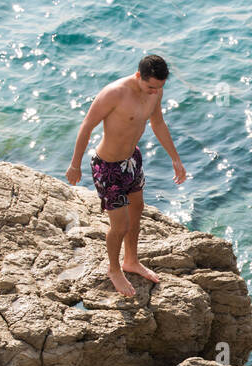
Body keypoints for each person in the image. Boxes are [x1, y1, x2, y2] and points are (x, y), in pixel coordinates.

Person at [66, 54, 188, 297]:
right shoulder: (115, 93)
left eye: (160, 87)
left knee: (136, 211)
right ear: (137, 75)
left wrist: (175, 158)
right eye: (151, 86)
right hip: (108, 167)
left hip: (131, 161)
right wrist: (75, 165)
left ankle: (131, 260)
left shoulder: (155, 92)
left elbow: (158, 123)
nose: (155, 92)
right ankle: (113, 269)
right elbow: (87, 126)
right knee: (119, 226)